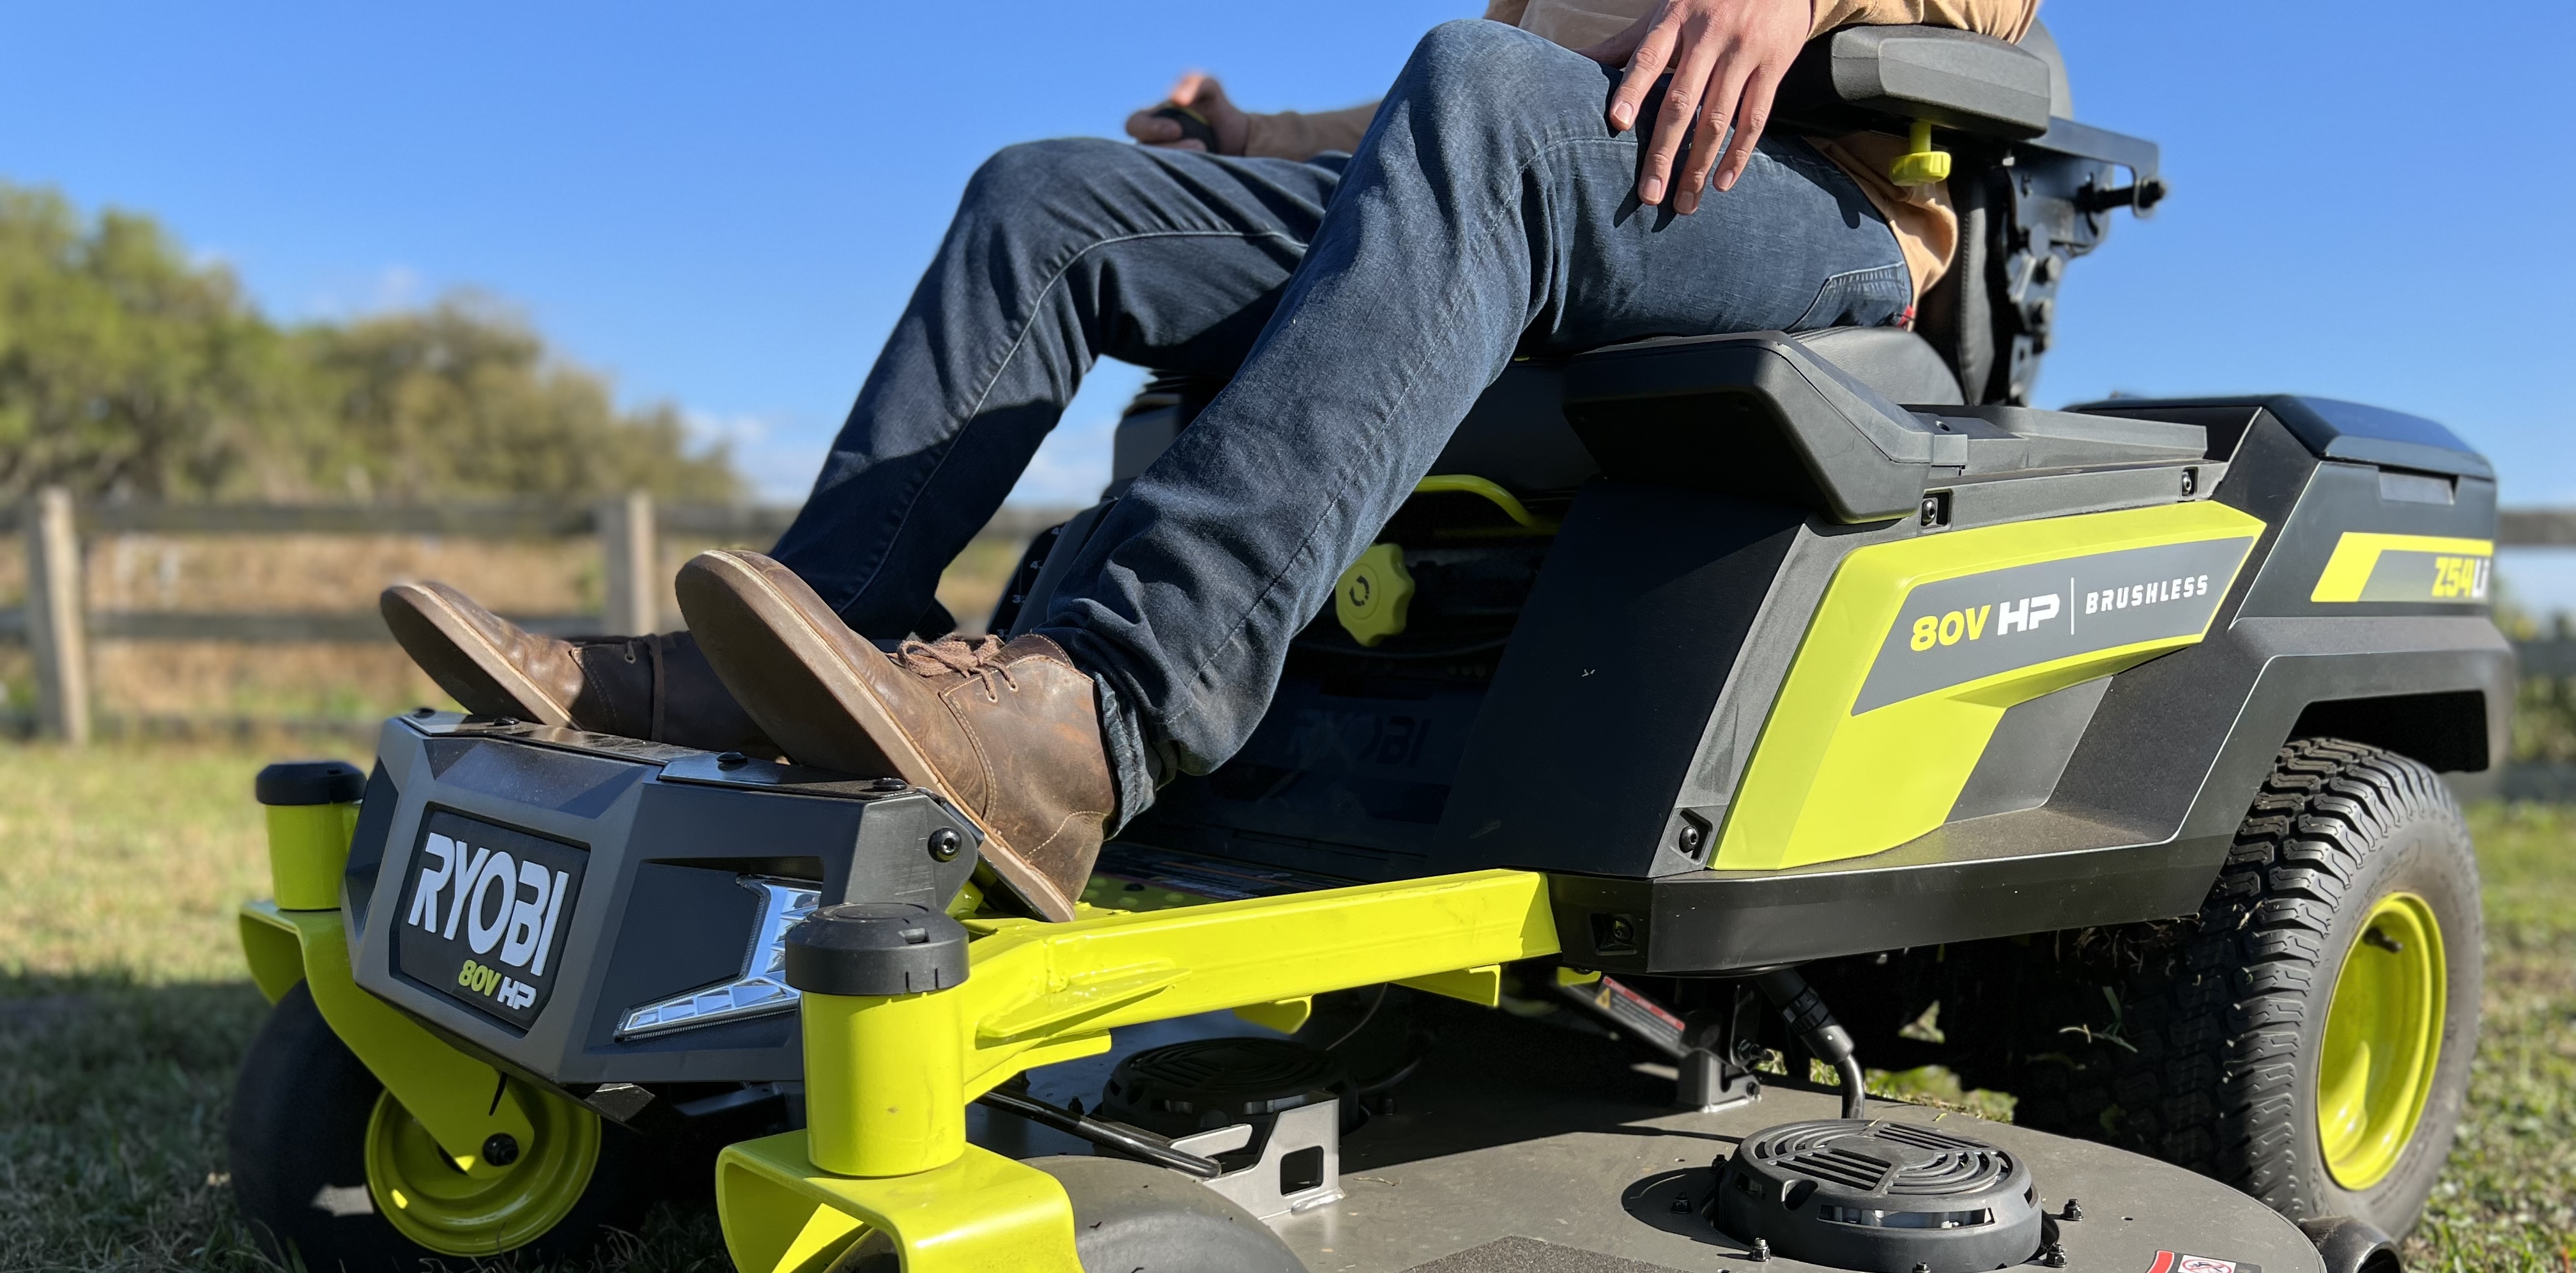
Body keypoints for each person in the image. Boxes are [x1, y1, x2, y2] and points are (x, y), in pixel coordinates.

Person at [383, 0, 2035, 921]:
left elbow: (1993, 17)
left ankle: (1104, 714)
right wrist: (1258, 145)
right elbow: (1466, 115)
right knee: (1054, 193)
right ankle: (793, 654)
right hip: (1549, 185)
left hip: (1804, 211)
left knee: (1484, 87)